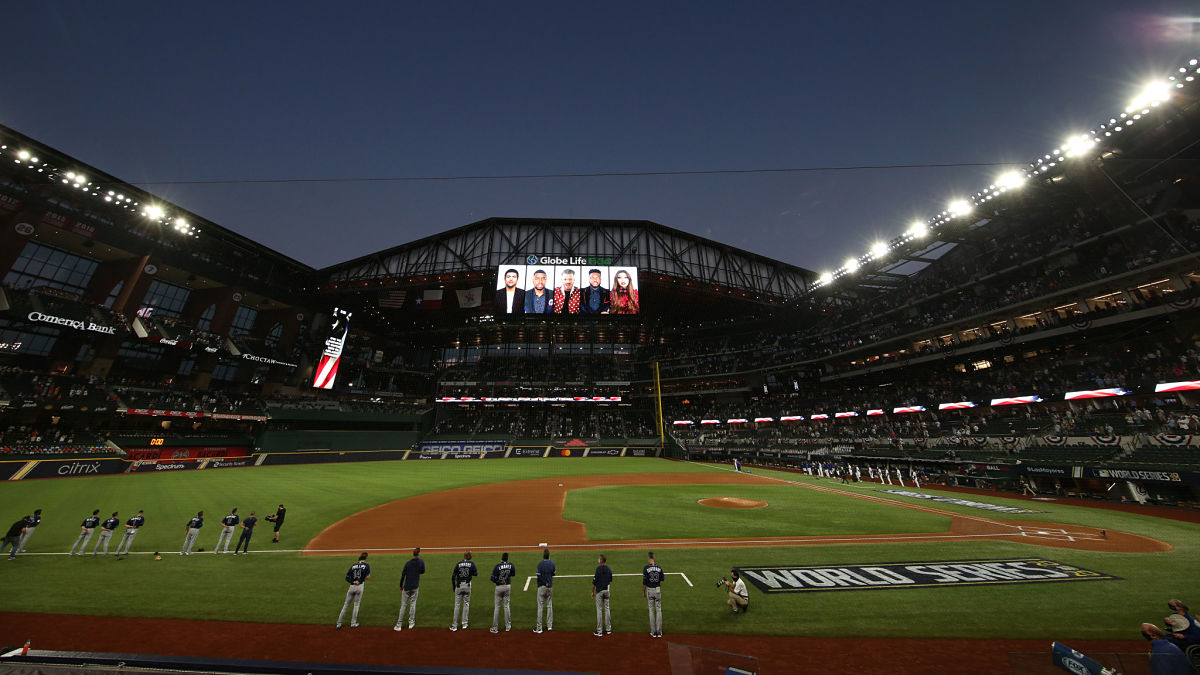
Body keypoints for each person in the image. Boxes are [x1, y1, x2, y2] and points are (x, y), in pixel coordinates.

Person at [336, 552, 371, 630]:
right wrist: (361, 578)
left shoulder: (353, 566)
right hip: (360, 587)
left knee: (346, 605)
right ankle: (353, 623)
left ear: (359, 559)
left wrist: (353, 581)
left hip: (352, 586)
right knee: (356, 605)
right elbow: (368, 577)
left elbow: (347, 577)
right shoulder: (366, 566)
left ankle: (338, 624)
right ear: (365, 559)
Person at [395, 547, 425, 631]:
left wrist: (401, 586)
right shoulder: (421, 562)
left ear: (413, 554)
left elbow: (403, 576)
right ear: (418, 554)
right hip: (415, 586)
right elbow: (423, 571)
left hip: (406, 587)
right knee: (413, 604)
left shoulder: (408, 564)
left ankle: (399, 625)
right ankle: (411, 623)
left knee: (403, 605)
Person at [449, 550, 477, 631]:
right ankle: (464, 624)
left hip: (459, 586)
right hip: (467, 586)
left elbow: (453, 577)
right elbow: (475, 574)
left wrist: (453, 587)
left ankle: (454, 625)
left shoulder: (458, 564)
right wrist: (470, 573)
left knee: (457, 605)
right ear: (469, 557)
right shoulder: (472, 564)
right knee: (466, 604)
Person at [489, 552, 515, 634]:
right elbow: (513, 574)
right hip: (507, 587)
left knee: (497, 607)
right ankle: (508, 626)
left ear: (501, 558)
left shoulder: (497, 566)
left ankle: (495, 627)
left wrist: (499, 581)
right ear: (507, 558)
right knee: (506, 606)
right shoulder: (511, 565)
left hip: (499, 587)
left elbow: (492, 578)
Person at [534, 547, 555, 633]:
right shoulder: (552, 563)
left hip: (541, 587)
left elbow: (538, 576)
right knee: (549, 605)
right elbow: (553, 574)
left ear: (543, 556)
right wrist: (548, 583)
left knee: (540, 606)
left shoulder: (540, 564)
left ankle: (539, 628)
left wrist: (545, 583)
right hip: (549, 588)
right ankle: (549, 626)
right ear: (549, 555)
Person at [642, 551, 664, 638]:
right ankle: (659, 632)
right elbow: (662, 579)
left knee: (651, 610)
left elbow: (644, 582)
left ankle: (653, 632)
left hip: (650, 590)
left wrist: (643, 592)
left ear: (649, 558)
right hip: (657, 590)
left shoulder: (646, 568)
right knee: (658, 610)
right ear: (653, 558)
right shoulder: (659, 567)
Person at [592, 553, 613, 637]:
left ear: (601, 560)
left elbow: (594, 582)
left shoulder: (598, 569)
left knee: (599, 610)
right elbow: (610, 579)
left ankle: (599, 631)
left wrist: (592, 592)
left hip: (599, 592)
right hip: (607, 591)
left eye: (599, 558)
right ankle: (608, 629)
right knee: (607, 609)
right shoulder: (609, 569)